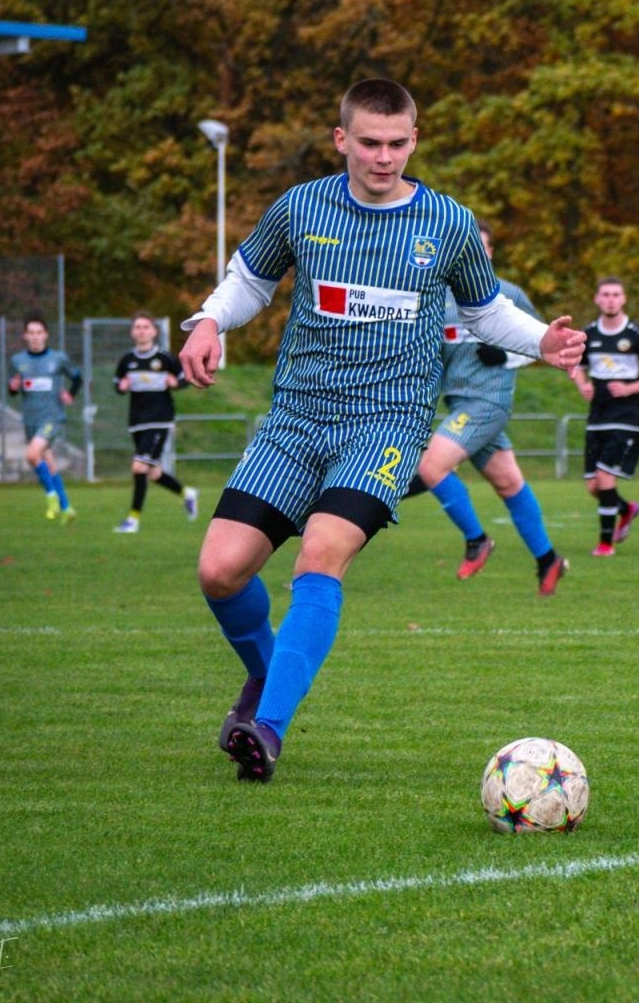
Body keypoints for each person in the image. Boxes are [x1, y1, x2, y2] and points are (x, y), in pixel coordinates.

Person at [179, 79, 585, 784]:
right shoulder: (301, 207)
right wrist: (210, 321)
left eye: (398, 143)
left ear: (414, 141)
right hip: (295, 419)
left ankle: (266, 729)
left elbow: (486, 312)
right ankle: (267, 679)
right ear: (342, 140)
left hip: (387, 425)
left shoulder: (448, 223)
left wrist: (540, 341)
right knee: (219, 571)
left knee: (320, 555)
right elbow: (250, 280)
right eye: (369, 142)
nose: (384, 156)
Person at [404, 223, 568, 595]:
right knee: (508, 482)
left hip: (488, 402)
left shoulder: (508, 295)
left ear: (490, 254)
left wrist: (507, 354)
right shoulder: (438, 298)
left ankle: (477, 540)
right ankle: (548, 559)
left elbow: (545, 344)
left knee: (431, 465)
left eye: (479, 249)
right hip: (460, 403)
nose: (471, 256)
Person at [569, 277, 639, 557]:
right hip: (597, 417)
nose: (610, 299)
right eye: (606, 294)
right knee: (593, 485)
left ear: (623, 299)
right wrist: (583, 384)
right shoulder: (589, 334)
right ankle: (627, 509)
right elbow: (575, 365)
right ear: (597, 299)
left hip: (627, 418)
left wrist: (629, 388)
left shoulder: (636, 336)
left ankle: (605, 544)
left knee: (605, 477)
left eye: (616, 294)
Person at [112, 311, 200, 533]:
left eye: (145, 327)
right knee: (152, 472)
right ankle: (186, 493)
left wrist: (175, 383)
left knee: (139, 466)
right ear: (132, 332)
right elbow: (118, 384)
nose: (142, 331)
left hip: (160, 419)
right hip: (137, 421)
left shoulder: (164, 358)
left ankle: (132, 520)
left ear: (154, 331)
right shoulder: (127, 360)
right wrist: (121, 387)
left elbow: (184, 378)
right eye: (138, 327)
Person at [7, 315, 82, 524]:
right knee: (49, 464)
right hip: (31, 419)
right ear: (25, 336)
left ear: (46, 335)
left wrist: (71, 394)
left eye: (39, 333)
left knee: (32, 455)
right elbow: (13, 388)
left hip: (52, 417)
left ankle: (52, 499)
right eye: (31, 333)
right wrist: (12, 387)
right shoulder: (18, 361)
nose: (35, 337)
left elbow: (77, 376)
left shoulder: (58, 359)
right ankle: (67, 508)